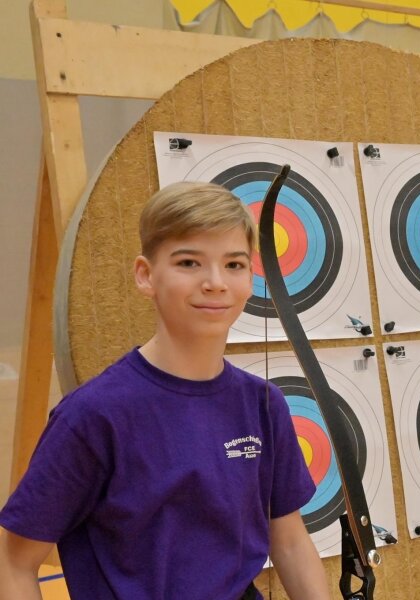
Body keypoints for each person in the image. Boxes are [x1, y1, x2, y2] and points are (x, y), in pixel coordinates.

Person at [0, 182, 330, 599]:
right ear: (145, 275)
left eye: (234, 264)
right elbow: (14, 561)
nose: (215, 283)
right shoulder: (94, 416)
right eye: (189, 262)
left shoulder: (262, 403)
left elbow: (290, 540)